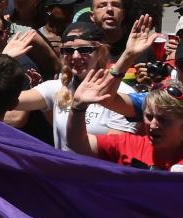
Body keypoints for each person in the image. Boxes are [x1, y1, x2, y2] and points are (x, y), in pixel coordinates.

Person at [13, 21, 140, 151]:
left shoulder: (124, 93)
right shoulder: (57, 88)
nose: (75, 56)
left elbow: (114, 151)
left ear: (101, 51)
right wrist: (5, 59)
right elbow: (6, 100)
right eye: (67, 50)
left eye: (84, 50)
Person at [66, 73, 183, 170]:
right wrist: (77, 107)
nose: (153, 125)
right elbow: (78, 144)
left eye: (163, 119)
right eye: (149, 116)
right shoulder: (129, 145)